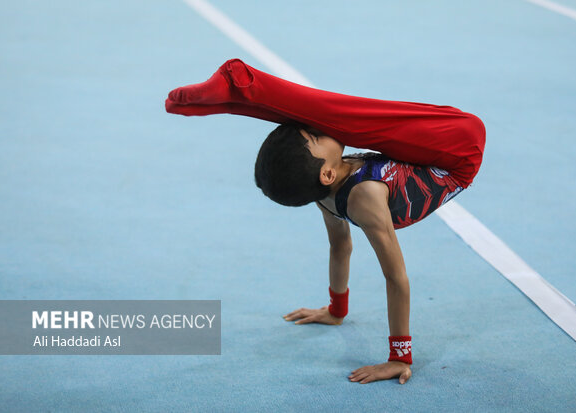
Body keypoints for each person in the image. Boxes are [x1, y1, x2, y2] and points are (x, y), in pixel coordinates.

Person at [165, 58, 486, 384]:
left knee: (329, 116)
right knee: (336, 114)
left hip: (419, 152)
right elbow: (396, 277)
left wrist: (336, 309)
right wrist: (399, 356)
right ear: (328, 172)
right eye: (317, 137)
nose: (321, 133)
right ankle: (238, 85)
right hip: (458, 151)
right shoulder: (365, 197)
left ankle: (236, 92)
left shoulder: (322, 192)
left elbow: (340, 247)